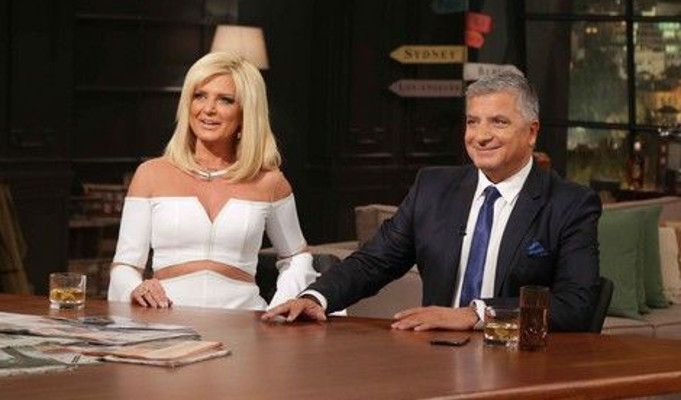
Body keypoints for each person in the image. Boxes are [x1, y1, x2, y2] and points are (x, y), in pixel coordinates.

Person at [263, 72, 601, 332]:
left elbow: (576, 304)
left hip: (520, 361)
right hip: (436, 355)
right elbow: (373, 261)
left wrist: (477, 314)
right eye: (473, 122)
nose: (481, 136)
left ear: (531, 132)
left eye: (498, 122)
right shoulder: (433, 188)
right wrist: (316, 297)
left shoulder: (570, 204)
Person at [108, 52, 318, 310]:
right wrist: (135, 288)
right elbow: (125, 265)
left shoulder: (269, 182)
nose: (208, 109)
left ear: (245, 112)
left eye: (225, 100)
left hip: (244, 319)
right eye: (200, 96)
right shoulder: (151, 174)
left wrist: (281, 307)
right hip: (165, 318)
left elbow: (297, 257)